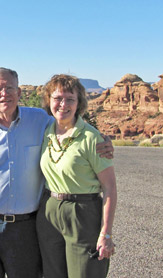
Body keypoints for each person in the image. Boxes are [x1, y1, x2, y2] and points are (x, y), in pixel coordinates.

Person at [0, 67, 114, 278]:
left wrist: (103, 142)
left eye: (10, 88)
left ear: (19, 93)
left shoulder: (40, 121)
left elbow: (70, 125)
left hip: (25, 228)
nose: (4, 94)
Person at [36, 74, 117, 278]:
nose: (63, 104)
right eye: (57, 98)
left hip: (83, 212)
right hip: (49, 210)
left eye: (70, 99)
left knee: (85, 273)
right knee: (52, 273)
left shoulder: (92, 138)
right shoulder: (45, 131)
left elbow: (109, 188)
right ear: (48, 101)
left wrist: (105, 234)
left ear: (79, 103)